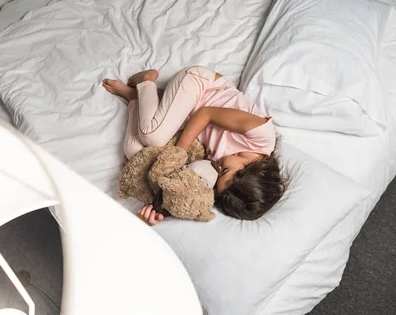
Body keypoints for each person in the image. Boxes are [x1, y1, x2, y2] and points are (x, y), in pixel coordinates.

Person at [103, 66, 285, 225]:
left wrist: (159, 209)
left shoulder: (227, 170)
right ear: (246, 170)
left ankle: (135, 99)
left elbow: (189, 187)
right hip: (200, 87)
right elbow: (206, 113)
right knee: (153, 137)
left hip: (187, 118)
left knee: (135, 151)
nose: (218, 166)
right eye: (224, 171)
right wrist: (178, 152)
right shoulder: (262, 136)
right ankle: (146, 82)